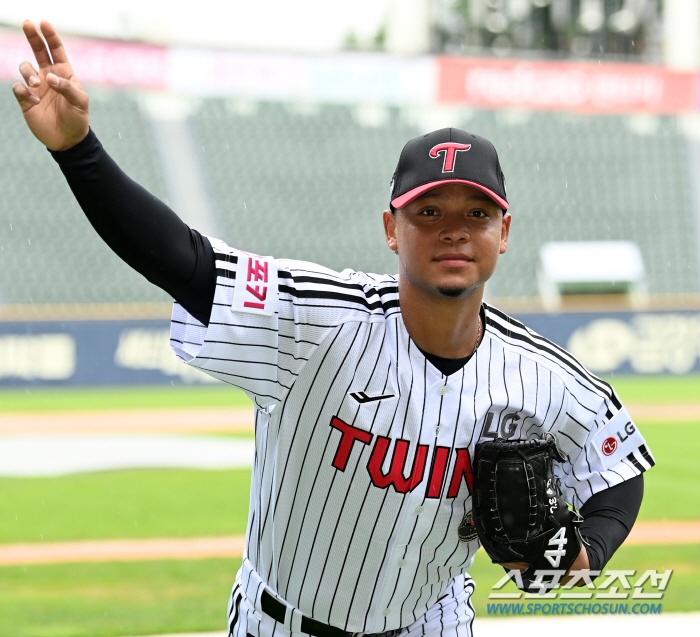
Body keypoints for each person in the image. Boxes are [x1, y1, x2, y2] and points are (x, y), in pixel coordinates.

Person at [13, 20, 653, 637]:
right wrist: (78, 151)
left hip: (433, 622)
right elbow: (183, 261)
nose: (454, 229)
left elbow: (619, 466)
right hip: (283, 624)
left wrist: (584, 556)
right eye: (427, 211)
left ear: (504, 233)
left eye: (477, 213)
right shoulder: (315, 322)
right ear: (389, 228)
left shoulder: (541, 373)